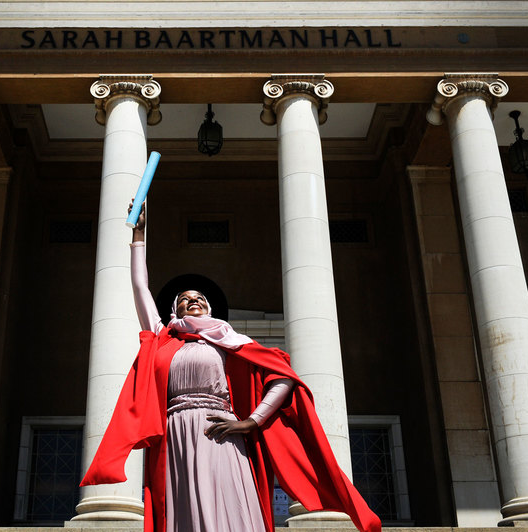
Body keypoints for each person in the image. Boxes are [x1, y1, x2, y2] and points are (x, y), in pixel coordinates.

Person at [81, 202, 381, 532]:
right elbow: (140, 286)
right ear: (174, 309)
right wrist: (138, 234)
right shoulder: (162, 336)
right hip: (176, 433)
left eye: (199, 299)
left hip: (221, 433)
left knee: (229, 509)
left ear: (209, 307)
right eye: (185, 299)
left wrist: (252, 421)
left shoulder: (229, 342)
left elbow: (283, 379)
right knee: (182, 512)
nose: (193, 301)